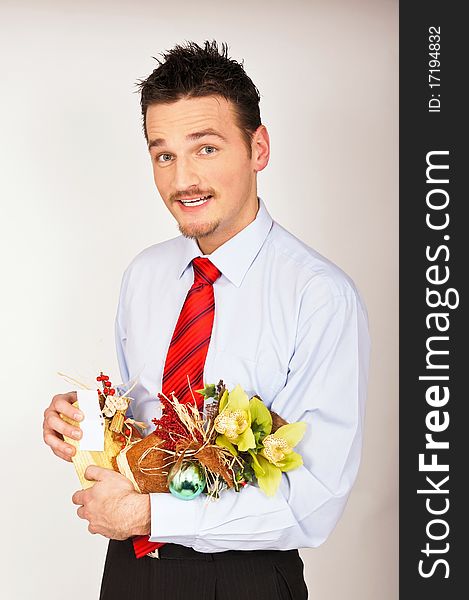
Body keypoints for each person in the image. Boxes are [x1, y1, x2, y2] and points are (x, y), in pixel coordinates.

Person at [43, 40, 370, 599]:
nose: (182, 180)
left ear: (258, 148)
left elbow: (310, 500)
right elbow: (140, 428)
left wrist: (153, 516)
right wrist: (85, 427)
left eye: (207, 149)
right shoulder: (144, 275)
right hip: (129, 569)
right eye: (163, 154)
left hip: (243, 578)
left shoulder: (319, 296)